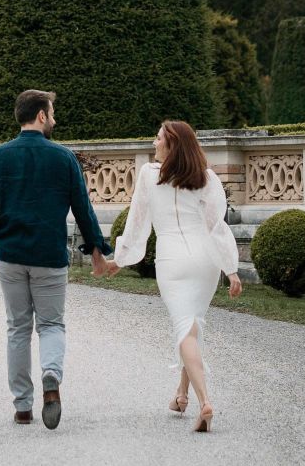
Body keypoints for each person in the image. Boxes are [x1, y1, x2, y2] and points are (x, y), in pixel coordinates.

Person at [0, 89, 113, 430]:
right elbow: (83, 209)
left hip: (10, 254)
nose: (55, 120)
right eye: (52, 113)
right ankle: (51, 374)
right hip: (49, 255)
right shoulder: (63, 159)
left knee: (18, 327)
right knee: (51, 325)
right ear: (42, 115)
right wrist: (97, 249)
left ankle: (22, 405)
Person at [100, 119, 241, 432]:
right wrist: (230, 269)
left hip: (172, 260)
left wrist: (121, 258)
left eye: (158, 138)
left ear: (172, 144)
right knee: (192, 325)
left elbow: (137, 222)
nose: (154, 143)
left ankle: (205, 401)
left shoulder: (149, 175)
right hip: (205, 261)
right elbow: (216, 226)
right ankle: (181, 394)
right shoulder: (206, 177)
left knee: (185, 329)